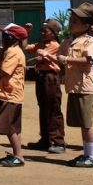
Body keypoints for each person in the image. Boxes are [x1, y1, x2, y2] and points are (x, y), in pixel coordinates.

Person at [39, 3, 93, 167]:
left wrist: (65, 59)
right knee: (82, 123)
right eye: (71, 20)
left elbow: (88, 61)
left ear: (87, 25)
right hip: (74, 86)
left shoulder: (90, 41)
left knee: (87, 124)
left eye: (75, 21)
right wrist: (47, 55)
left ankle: (92, 157)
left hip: (86, 87)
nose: (71, 23)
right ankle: (87, 154)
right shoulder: (69, 42)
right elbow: (60, 61)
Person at [24, 19, 66, 153]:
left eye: (45, 30)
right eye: (42, 30)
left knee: (53, 108)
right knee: (43, 108)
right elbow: (25, 47)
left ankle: (58, 141)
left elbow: (42, 57)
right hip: (41, 76)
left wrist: (39, 58)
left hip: (50, 77)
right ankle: (46, 139)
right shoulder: (41, 43)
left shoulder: (54, 45)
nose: (42, 32)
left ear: (54, 33)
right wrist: (26, 33)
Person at [0, 23, 27, 167]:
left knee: (8, 127)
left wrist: (1, 52)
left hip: (10, 94)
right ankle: (17, 154)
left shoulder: (13, 52)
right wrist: (2, 50)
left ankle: (18, 156)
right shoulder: (12, 50)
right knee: (14, 126)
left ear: (13, 38)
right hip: (13, 94)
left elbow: (3, 70)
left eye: (5, 35)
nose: (2, 38)